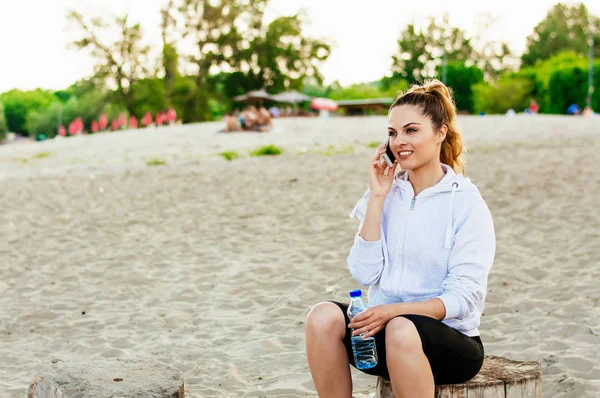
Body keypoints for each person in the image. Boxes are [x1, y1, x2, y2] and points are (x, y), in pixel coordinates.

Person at [305, 79, 496, 397]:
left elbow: (463, 300)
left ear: (440, 133)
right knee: (321, 317)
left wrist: (394, 312)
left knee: (401, 328)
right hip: (382, 333)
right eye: (392, 133)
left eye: (411, 130)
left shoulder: (466, 203)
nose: (399, 142)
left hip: (449, 344)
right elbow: (364, 273)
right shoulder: (384, 192)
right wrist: (378, 198)